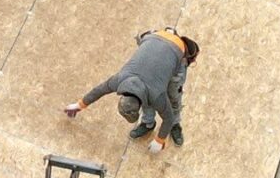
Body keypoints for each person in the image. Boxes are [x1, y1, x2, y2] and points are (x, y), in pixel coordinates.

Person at [63, 28, 200, 153]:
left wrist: (160, 140)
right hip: (154, 38)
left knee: (173, 96)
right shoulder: (119, 80)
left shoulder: (156, 94)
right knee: (148, 98)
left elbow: (167, 118)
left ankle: (175, 125)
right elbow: (98, 91)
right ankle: (148, 124)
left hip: (177, 50)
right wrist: (79, 105)